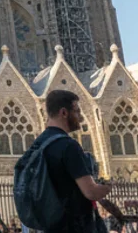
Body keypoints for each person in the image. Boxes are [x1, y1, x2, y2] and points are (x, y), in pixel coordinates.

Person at [31, 89, 111, 233]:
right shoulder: (68, 146)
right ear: (64, 113)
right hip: (74, 225)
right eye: (77, 111)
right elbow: (91, 192)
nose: (80, 117)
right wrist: (107, 186)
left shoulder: (38, 145)